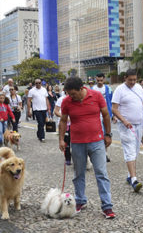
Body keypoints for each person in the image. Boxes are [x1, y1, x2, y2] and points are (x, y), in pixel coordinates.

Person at [59, 77, 115, 218]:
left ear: (81, 88)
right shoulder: (67, 101)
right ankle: (80, 200)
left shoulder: (96, 96)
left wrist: (108, 134)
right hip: (77, 142)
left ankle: (107, 206)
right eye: (68, 94)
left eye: (73, 94)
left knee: (101, 173)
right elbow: (63, 120)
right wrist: (61, 139)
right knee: (79, 173)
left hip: (97, 141)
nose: (70, 96)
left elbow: (106, 115)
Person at [112, 69, 143, 192]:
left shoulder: (139, 88)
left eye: (134, 79)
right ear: (125, 78)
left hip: (138, 124)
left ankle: (130, 175)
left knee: (135, 150)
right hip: (126, 126)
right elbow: (114, 109)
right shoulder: (119, 90)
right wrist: (123, 120)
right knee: (129, 149)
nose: (132, 82)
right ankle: (134, 180)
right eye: (130, 80)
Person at [93, 73, 114, 162]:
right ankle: (98, 153)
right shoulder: (93, 89)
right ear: (96, 79)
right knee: (98, 134)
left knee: (107, 133)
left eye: (101, 80)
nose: (100, 82)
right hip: (96, 115)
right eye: (98, 80)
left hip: (106, 114)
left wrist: (113, 115)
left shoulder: (108, 89)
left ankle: (105, 153)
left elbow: (112, 101)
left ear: (104, 79)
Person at [54, 88, 72, 165]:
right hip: (64, 124)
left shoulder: (75, 98)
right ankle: (67, 158)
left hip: (74, 124)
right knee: (66, 142)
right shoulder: (61, 99)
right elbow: (56, 111)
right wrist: (64, 117)